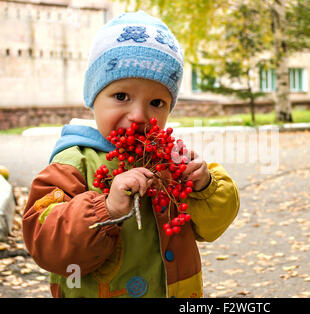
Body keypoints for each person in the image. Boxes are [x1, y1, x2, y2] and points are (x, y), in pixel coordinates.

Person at [22, 11, 240, 298]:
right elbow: (46, 243)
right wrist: (106, 209)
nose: (138, 116)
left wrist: (205, 185)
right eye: (122, 96)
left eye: (157, 102)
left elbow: (213, 227)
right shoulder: (75, 161)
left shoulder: (169, 160)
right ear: (93, 97)